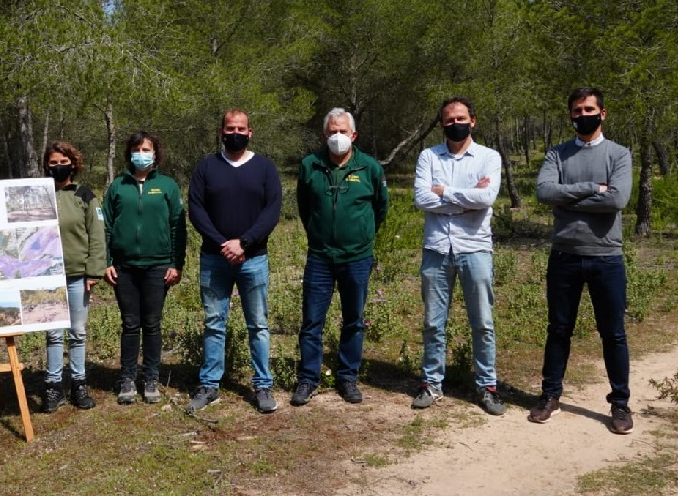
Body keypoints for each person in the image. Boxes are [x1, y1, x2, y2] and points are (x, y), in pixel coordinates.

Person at [530, 87, 633, 434]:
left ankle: (620, 404)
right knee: (558, 330)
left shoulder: (619, 154)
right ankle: (550, 396)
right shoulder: (557, 154)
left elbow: (617, 200)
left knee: (613, 333)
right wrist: (593, 188)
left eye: (589, 109)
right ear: (570, 115)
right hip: (565, 256)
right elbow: (544, 192)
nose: (582, 115)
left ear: (602, 113)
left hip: (607, 257)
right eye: (577, 110)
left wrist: (568, 201)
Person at [411, 97, 505, 415]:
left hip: (475, 248)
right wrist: (466, 201)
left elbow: (487, 196)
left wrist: (445, 192)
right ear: (442, 124)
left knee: (483, 323)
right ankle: (431, 383)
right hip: (437, 248)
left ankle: (487, 386)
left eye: (461, 118)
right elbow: (422, 198)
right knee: (433, 323)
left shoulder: (489, 157)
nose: (455, 124)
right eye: (449, 120)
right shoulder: (429, 156)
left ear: (473, 121)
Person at [186, 109, 282, 414]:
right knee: (215, 323)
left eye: (241, 128)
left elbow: (272, 210)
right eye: (230, 128)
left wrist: (244, 242)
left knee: (258, 324)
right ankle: (210, 385)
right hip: (214, 259)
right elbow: (196, 208)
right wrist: (221, 242)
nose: (235, 133)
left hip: (254, 259)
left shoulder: (265, 168)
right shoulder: (206, 167)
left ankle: (262, 385)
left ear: (250, 132)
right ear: (221, 131)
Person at [291, 108, 388, 407]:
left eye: (343, 131)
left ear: (353, 135)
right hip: (320, 256)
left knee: (354, 320)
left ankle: (347, 376)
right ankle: (308, 378)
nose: (337, 136)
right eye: (332, 131)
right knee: (311, 321)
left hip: (357, 258)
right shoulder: (310, 165)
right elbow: (305, 208)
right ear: (324, 135)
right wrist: (319, 235)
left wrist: (360, 234)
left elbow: (380, 208)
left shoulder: (369, 167)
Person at [103, 131, 187, 405]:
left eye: (147, 149)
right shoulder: (117, 186)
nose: (142, 153)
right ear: (129, 153)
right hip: (124, 267)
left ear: (155, 153)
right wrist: (106, 262)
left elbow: (178, 226)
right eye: (138, 149)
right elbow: (104, 227)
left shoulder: (167, 186)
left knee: (152, 324)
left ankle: (151, 377)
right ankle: (127, 377)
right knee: (130, 324)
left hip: (157, 266)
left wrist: (176, 263)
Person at [42, 140, 106, 412]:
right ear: (47, 165)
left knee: (77, 332)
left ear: (73, 164)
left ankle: (79, 383)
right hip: (48, 276)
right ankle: (53, 386)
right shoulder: (39, 195)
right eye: (53, 162)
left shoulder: (85, 195)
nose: (59, 166)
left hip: (79, 275)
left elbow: (97, 235)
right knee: (54, 334)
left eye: (63, 162)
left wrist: (94, 270)